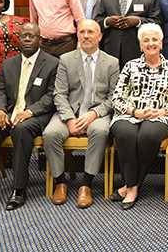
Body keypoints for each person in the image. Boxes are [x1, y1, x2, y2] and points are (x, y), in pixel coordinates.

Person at [0, 23, 58, 211]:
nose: (26, 39)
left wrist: (30, 111)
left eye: (31, 36)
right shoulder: (9, 64)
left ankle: (19, 189)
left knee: (21, 129)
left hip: (36, 115)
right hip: (9, 113)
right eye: (23, 36)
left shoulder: (52, 63)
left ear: (39, 40)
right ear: (18, 39)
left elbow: (52, 95)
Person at [42, 19, 120, 208]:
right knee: (50, 134)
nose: (86, 36)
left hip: (97, 114)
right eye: (82, 32)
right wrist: (69, 119)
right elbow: (59, 94)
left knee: (100, 132)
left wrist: (94, 114)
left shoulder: (111, 62)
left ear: (99, 36)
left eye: (91, 32)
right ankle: (60, 182)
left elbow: (114, 97)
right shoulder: (66, 59)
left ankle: (86, 184)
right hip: (69, 111)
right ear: (77, 35)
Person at [109, 23, 168, 210]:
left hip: (160, 116)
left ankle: (130, 186)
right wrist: (134, 111)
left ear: (162, 43)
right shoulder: (130, 66)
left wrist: (165, 111)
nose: (151, 43)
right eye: (146, 40)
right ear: (140, 45)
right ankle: (133, 186)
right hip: (129, 114)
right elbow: (116, 97)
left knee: (147, 136)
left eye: (155, 39)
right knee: (126, 133)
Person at [94, 0, 160, 69]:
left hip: (137, 51)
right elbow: (96, 21)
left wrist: (138, 21)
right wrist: (108, 21)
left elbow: (157, 22)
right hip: (110, 50)